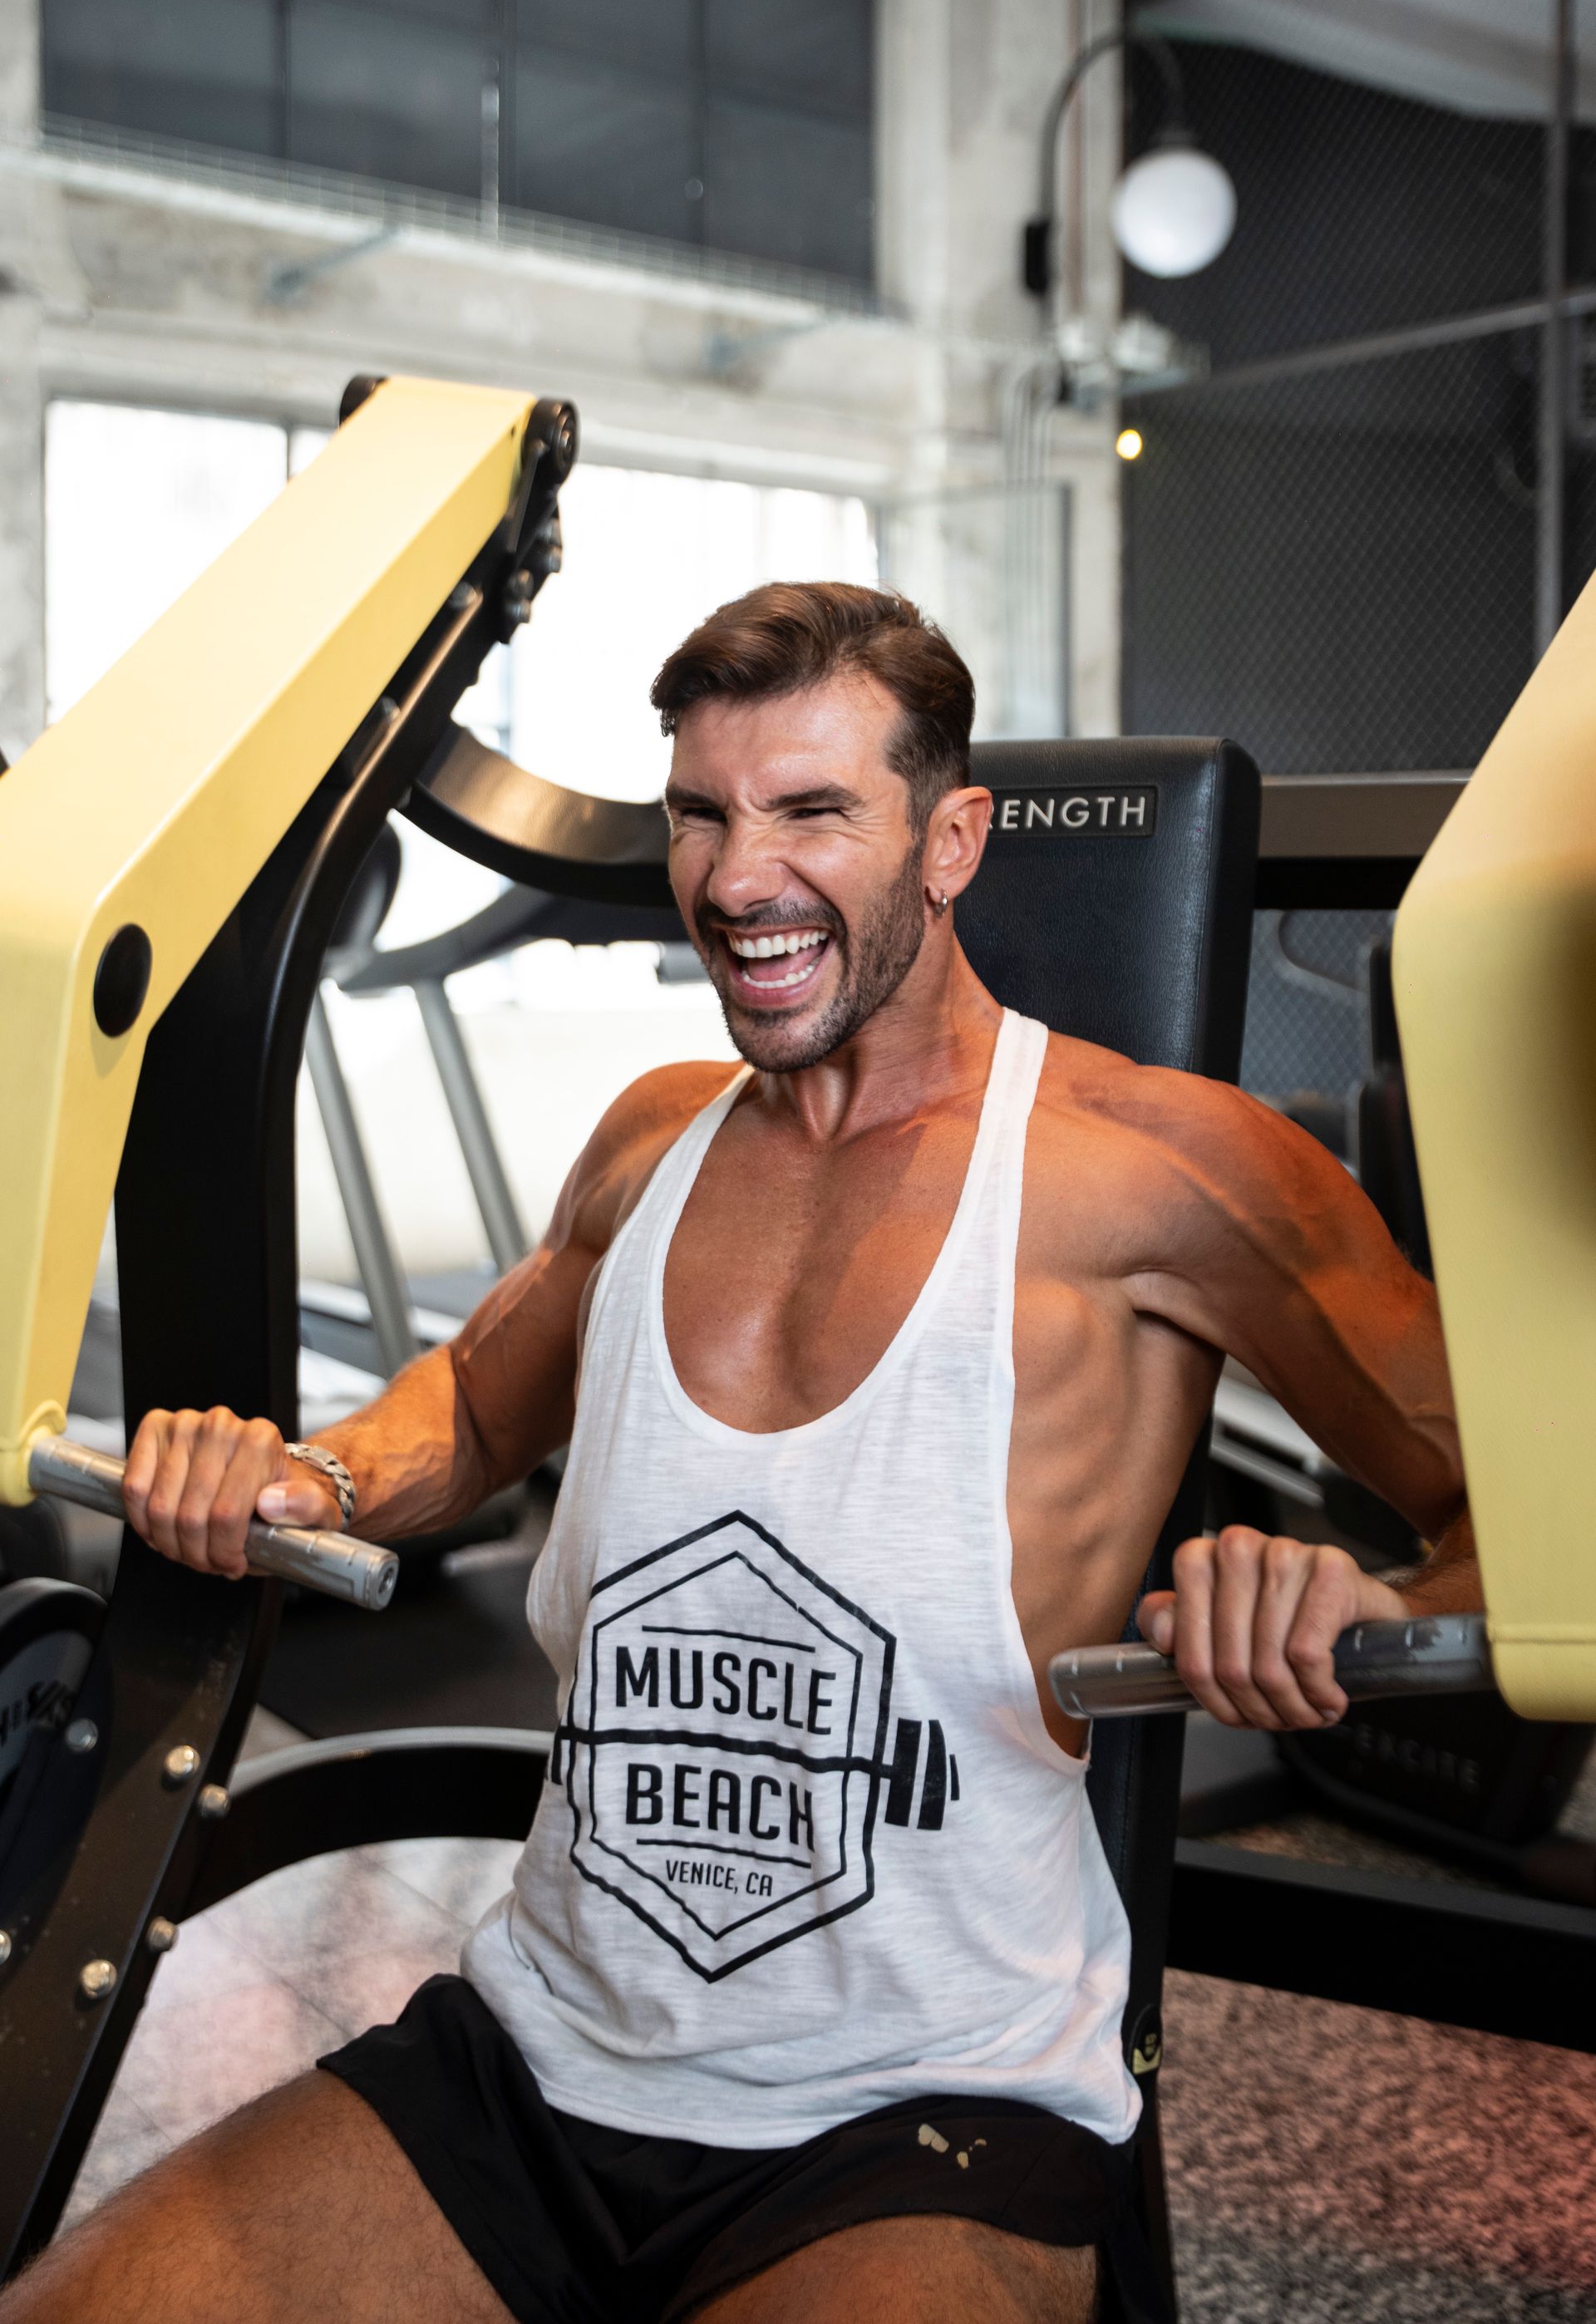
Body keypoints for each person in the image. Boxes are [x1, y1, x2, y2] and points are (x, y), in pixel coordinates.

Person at [5, 585, 1480, 2324]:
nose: (735, 875)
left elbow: (1536, 1525)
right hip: (540, 2057)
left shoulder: (1164, 1171)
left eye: (810, 811)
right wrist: (298, 1484)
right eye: (702, 812)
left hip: (924, 2108)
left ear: (950, 841)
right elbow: (477, 1408)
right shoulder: (650, 1145)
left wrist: (1347, 1603)